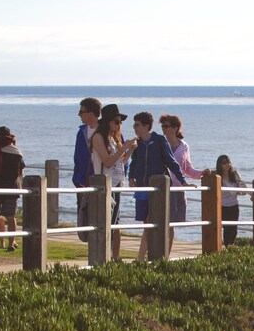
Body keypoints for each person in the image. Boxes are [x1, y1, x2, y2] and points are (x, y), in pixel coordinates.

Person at [127, 112, 189, 261]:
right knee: (147, 224)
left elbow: (171, 161)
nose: (134, 127)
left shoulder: (159, 141)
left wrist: (183, 181)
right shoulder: (137, 143)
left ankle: (142, 258)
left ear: (146, 126)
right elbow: (134, 163)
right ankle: (147, 257)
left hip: (157, 190)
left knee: (151, 221)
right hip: (142, 188)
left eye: (137, 125)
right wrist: (130, 177)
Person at [90, 104, 136, 259]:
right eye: (116, 121)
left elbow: (119, 163)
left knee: (114, 223)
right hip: (104, 186)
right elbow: (107, 161)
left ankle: (111, 258)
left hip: (116, 185)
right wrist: (123, 149)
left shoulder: (112, 139)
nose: (119, 125)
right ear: (108, 121)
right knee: (106, 223)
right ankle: (103, 258)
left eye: (120, 122)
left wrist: (130, 150)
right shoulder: (98, 137)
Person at [159, 114, 206, 254]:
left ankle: (165, 255)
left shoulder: (184, 147)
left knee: (171, 225)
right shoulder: (160, 143)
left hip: (177, 189)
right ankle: (156, 252)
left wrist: (202, 173)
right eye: (162, 126)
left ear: (175, 128)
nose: (163, 129)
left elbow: (188, 169)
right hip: (162, 188)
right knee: (160, 223)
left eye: (166, 126)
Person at [0, 142, 26, 252]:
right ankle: (11, 243)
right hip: (11, 188)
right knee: (11, 217)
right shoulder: (16, 153)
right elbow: (21, 171)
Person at [72, 97, 102, 241]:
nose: (79, 114)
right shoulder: (81, 132)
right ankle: (92, 251)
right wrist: (78, 180)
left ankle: (109, 256)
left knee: (105, 219)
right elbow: (78, 158)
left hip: (103, 182)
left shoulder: (105, 131)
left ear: (91, 113)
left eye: (81, 111)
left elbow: (118, 156)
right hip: (84, 183)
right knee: (85, 218)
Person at [215, 154, 247, 246]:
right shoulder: (218, 177)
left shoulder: (234, 174)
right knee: (226, 227)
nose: (227, 165)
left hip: (234, 205)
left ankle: (231, 246)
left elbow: (243, 188)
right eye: (224, 163)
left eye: (228, 162)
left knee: (233, 228)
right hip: (223, 206)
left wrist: (248, 192)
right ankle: (226, 246)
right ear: (220, 165)